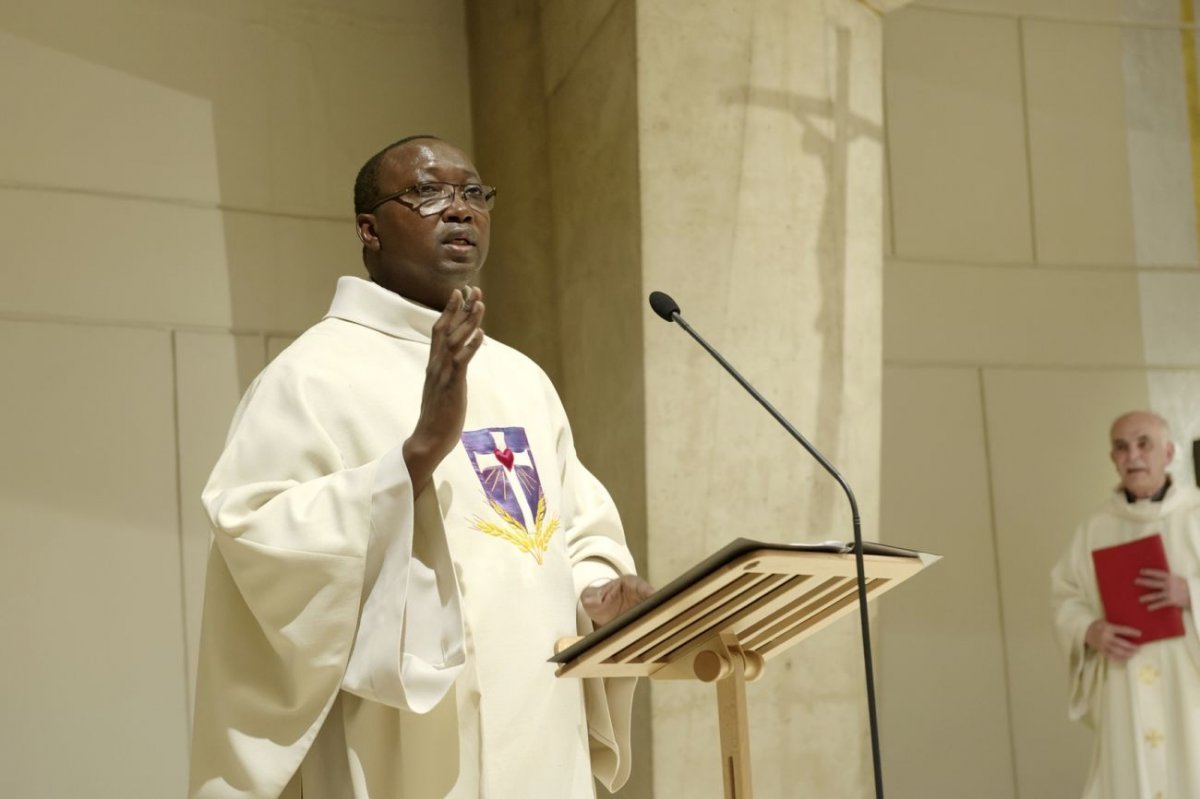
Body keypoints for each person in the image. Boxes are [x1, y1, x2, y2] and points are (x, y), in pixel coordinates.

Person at [188, 135, 654, 799]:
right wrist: (413, 457)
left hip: (540, 726)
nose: (459, 210)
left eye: (473, 194)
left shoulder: (521, 377)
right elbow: (256, 538)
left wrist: (597, 592)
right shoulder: (309, 377)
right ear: (368, 229)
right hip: (407, 747)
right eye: (429, 193)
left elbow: (573, 528)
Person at [1051, 410, 1200, 798]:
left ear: (1168, 453)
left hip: (1190, 684)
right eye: (1121, 447)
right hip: (1125, 681)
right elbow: (1066, 597)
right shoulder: (1095, 528)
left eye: (1143, 444)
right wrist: (1089, 630)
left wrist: (1191, 594)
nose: (1132, 455)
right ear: (1112, 458)